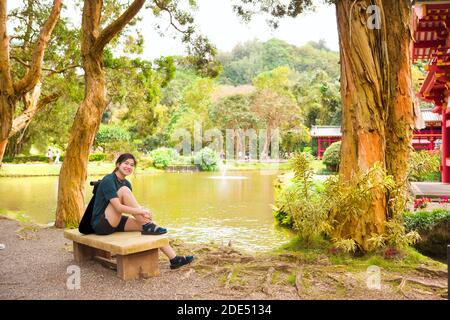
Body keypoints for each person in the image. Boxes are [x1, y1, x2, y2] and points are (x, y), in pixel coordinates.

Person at [91, 153, 194, 269]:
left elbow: (131, 206)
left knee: (151, 228)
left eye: (132, 165)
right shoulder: (108, 180)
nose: (128, 167)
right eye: (126, 163)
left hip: (115, 221)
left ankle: (174, 259)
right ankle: (147, 224)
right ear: (118, 164)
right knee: (129, 197)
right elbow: (118, 208)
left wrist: (143, 212)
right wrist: (140, 212)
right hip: (102, 223)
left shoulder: (126, 183)